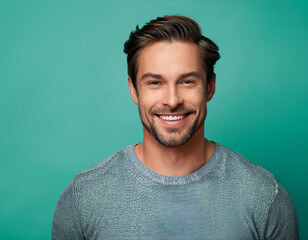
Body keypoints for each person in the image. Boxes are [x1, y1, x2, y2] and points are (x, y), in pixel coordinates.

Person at [51, 15, 299, 239]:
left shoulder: (265, 196)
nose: (172, 100)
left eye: (187, 81)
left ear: (210, 86)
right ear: (133, 89)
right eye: (155, 82)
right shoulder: (83, 197)